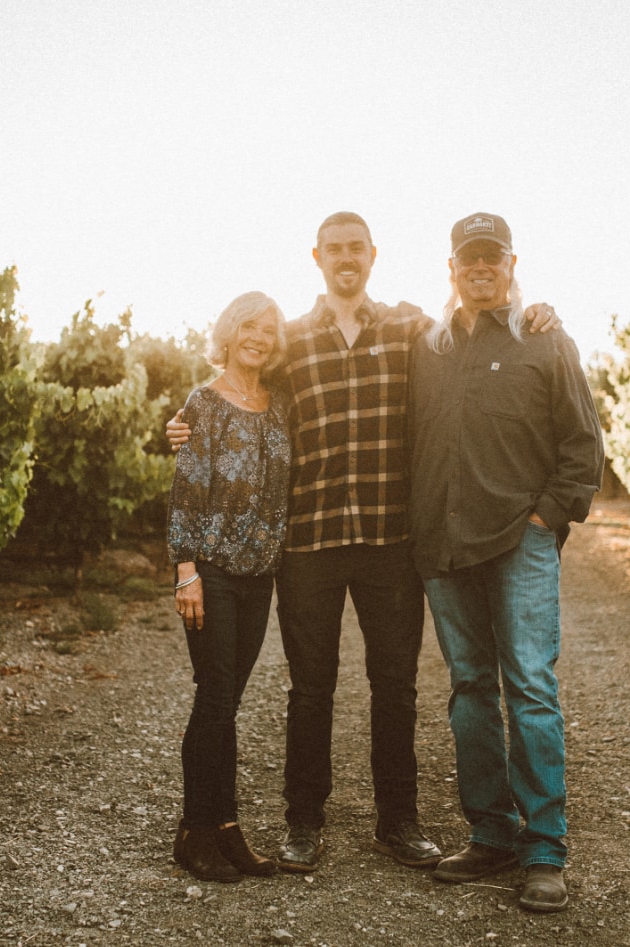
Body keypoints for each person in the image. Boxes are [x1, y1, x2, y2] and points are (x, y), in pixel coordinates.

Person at [166, 212, 560, 874]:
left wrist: (535, 308)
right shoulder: (290, 338)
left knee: (394, 684)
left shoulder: (412, 330)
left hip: (387, 538)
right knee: (309, 687)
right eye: (335, 250)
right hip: (311, 541)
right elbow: (241, 392)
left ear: (372, 255)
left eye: (357, 248)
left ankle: (397, 820)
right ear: (316, 257)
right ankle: (304, 820)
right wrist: (183, 423)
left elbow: (477, 324)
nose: (346, 258)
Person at [408, 212, 603, 914]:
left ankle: (545, 847)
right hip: (442, 542)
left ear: (512, 264)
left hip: (517, 539)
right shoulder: (424, 348)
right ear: (452, 267)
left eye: (492, 257)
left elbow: (583, 447)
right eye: (469, 258)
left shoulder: (545, 342)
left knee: (528, 685)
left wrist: (544, 518)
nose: (480, 267)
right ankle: (490, 833)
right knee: (468, 689)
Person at [167, 291, 293, 882]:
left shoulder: (279, 404)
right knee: (215, 696)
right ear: (229, 331)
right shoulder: (203, 402)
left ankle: (226, 829)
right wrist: (185, 569)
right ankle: (194, 832)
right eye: (249, 326)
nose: (259, 337)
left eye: (269, 329)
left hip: (259, 574)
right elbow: (187, 489)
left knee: (228, 704)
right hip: (212, 571)